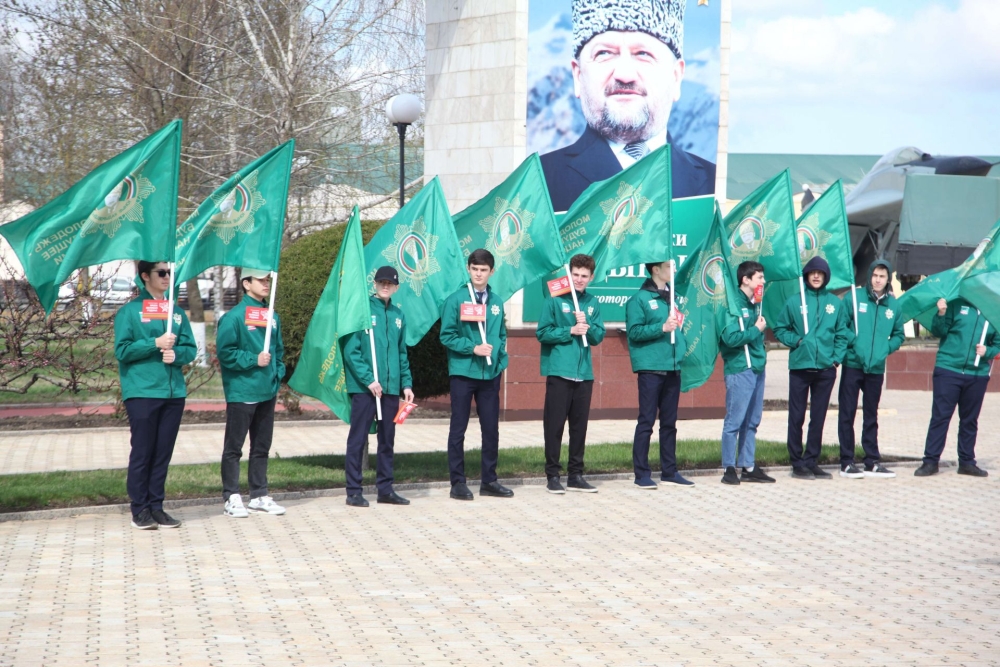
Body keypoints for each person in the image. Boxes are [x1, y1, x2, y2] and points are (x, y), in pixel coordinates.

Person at [540, 0, 715, 211]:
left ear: (676, 77)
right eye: (604, 53)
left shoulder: (714, 186)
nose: (624, 74)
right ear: (578, 76)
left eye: (643, 54)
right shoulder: (538, 186)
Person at [114, 261, 196, 529]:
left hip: (173, 393)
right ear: (145, 276)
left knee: (162, 453)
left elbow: (190, 348)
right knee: (143, 451)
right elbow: (123, 350)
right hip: (143, 391)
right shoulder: (130, 312)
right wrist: (154, 343)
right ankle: (140, 510)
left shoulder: (176, 312)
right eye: (161, 273)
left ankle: (157, 507)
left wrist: (177, 354)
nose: (167, 277)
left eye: (170, 272)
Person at [440, 249, 512, 501]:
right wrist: (473, 348)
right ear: (468, 269)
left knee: (491, 429)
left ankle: (489, 480)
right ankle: (457, 482)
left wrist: (501, 361)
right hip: (463, 372)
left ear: (492, 272)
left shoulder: (497, 302)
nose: (479, 274)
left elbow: (501, 335)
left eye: (483, 270)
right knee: (458, 428)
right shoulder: (456, 299)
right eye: (474, 269)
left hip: (490, 375)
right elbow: (447, 335)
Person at [773, 256, 852, 480]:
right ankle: (797, 463)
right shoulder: (794, 302)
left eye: (820, 273)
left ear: (826, 277)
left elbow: (842, 333)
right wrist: (797, 341)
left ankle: (811, 461)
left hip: (826, 369)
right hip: (800, 367)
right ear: (806, 275)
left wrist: (836, 359)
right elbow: (780, 329)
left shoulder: (834, 303)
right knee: (796, 416)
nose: (816, 276)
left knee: (818, 418)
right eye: (812, 272)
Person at [342, 266, 415, 507]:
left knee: (387, 440)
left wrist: (406, 384)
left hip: (390, 389)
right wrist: (368, 379)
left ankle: (385, 489)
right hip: (366, 389)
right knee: (358, 439)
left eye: (390, 283)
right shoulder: (363, 311)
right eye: (381, 282)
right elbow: (351, 351)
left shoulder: (398, 315)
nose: (385, 286)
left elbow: (401, 353)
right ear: (374, 284)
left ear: (396, 287)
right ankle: (354, 491)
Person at [217, 268, 287, 518]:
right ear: (246, 284)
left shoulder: (272, 316)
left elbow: (278, 351)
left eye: (267, 280)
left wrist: (277, 373)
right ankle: (231, 496)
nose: (266, 284)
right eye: (260, 280)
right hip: (242, 391)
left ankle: (258, 494)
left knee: (261, 446)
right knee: (234, 447)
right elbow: (225, 353)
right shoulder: (234, 317)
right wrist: (253, 359)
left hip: (267, 391)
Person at [536, 254, 606, 494]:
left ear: (591, 277)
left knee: (579, 428)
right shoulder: (555, 299)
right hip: (559, 372)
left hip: (584, 374)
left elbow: (598, 336)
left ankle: (576, 475)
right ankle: (553, 475)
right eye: (575, 274)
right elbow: (542, 333)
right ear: (569, 274)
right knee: (554, 426)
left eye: (584, 276)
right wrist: (571, 330)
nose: (579, 279)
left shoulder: (593, 303)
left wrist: (588, 325)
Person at [626, 260, 692, 488]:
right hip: (651, 368)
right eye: (669, 266)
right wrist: (661, 328)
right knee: (646, 421)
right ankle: (641, 474)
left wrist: (681, 347)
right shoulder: (639, 299)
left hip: (672, 367)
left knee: (670, 423)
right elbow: (634, 332)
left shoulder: (673, 298)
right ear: (656, 269)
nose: (674, 270)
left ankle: (669, 472)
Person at [914, 297, 998, 478]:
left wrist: (988, 351)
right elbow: (938, 331)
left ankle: (967, 463)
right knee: (940, 417)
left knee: (970, 420)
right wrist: (941, 313)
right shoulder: (956, 304)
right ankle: (930, 461)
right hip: (948, 369)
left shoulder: (993, 311)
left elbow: (997, 344)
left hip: (977, 374)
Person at [837, 260, 905, 479]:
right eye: (875, 275)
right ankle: (847, 462)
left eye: (882, 276)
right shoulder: (854, 298)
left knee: (871, 415)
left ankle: (872, 461)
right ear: (869, 276)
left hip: (875, 368)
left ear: (887, 279)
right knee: (847, 413)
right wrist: (855, 342)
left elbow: (899, 335)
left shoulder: (893, 305)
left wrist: (885, 348)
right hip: (853, 364)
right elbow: (841, 326)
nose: (878, 280)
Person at [718, 261, 775, 485]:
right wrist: (755, 330)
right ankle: (729, 468)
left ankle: (748, 466)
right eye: (759, 277)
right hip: (740, 369)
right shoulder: (732, 305)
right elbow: (730, 339)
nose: (763, 281)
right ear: (746, 279)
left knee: (752, 421)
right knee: (734, 421)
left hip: (757, 368)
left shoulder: (755, 305)